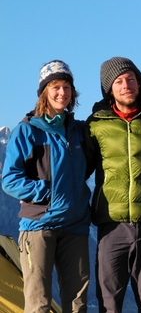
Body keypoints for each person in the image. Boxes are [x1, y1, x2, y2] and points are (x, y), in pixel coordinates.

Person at [2, 60, 91, 313]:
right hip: (39, 226)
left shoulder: (79, 131)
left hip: (75, 227)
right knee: (38, 303)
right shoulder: (27, 131)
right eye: (55, 87)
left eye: (66, 87)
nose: (62, 93)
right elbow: (10, 180)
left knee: (77, 305)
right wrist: (46, 192)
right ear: (44, 92)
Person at [84, 57, 141, 313]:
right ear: (110, 88)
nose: (126, 85)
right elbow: (78, 168)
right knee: (109, 305)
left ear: (139, 82)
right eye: (119, 81)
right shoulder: (95, 125)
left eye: (130, 79)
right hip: (111, 226)